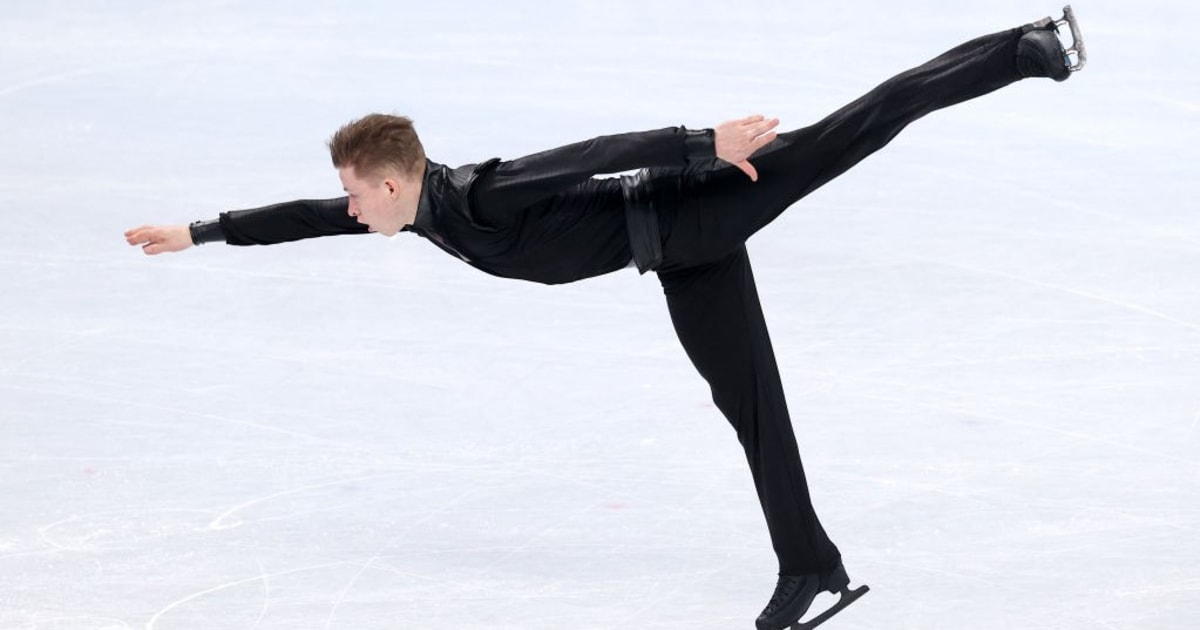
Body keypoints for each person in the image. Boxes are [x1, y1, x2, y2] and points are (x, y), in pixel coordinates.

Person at [125, 10, 1085, 630]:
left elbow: (592, 152)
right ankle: (813, 567)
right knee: (753, 409)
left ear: (389, 181)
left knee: (863, 122)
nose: (349, 209)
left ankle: (1027, 47)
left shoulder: (479, 195)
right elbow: (302, 219)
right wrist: (201, 231)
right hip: (677, 257)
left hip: (704, 202)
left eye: (354, 194)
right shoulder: (420, 215)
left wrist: (699, 141)